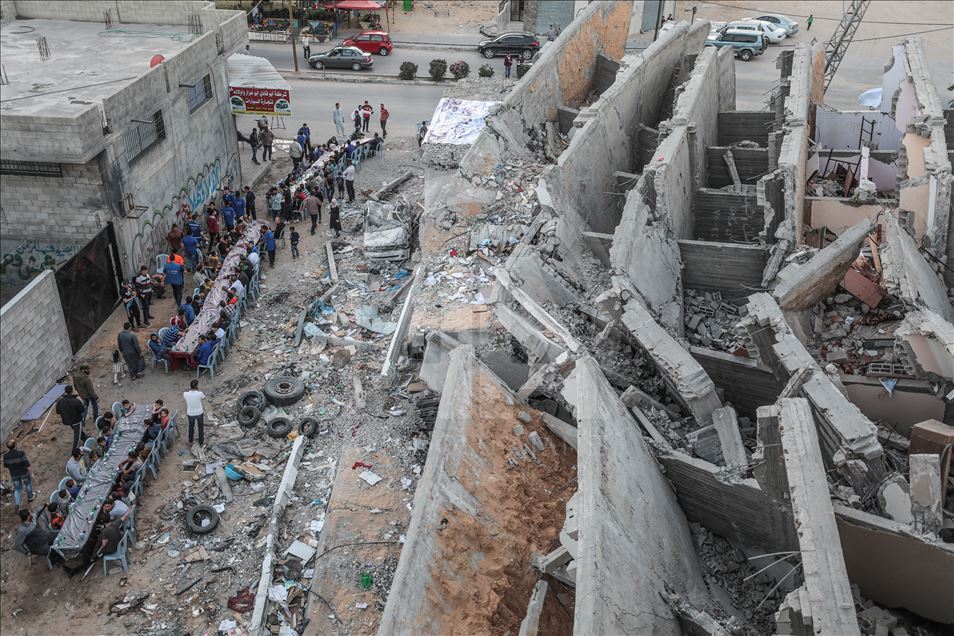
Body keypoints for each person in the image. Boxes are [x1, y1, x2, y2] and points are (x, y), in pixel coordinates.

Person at [3, 440, 35, 510]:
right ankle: (30, 497)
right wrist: (31, 473)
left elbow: (6, 465)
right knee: (28, 484)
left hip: (14, 475)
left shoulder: (5, 456)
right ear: (15, 445)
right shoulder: (21, 453)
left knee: (17, 489)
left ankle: (17, 504)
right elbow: (27, 465)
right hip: (24, 473)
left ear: (8, 447)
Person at [57, 385, 86, 450]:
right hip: (76, 421)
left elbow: (58, 411)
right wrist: (81, 402)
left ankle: (85, 438)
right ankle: (75, 452)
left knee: (78, 431)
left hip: (68, 421)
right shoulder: (76, 401)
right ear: (72, 391)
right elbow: (83, 409)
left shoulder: (61, 401)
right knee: (77, 437)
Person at [184, 379, 206, 446]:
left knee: (191, 427)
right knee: (201, 427)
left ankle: (190, 441)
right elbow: (204, 398)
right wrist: (198, 390)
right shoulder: (200, 393)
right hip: (199, 412)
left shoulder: (185, 394)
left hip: (190, 413)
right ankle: (201, 442)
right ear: (197, 386)